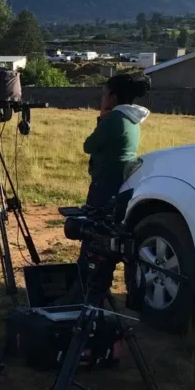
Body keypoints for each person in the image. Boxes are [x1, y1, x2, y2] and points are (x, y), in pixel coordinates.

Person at [78, 73, 152, 293]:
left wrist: (102, 117)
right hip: (120, 184)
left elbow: (89, 145)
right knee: (109, 236)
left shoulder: (115, 120)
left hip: (104, 184)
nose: (102, 98)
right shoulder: (132, 119)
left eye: (105, 94)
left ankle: (87, 283)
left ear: (113, 96)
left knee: (93, 234)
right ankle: (100, 282)